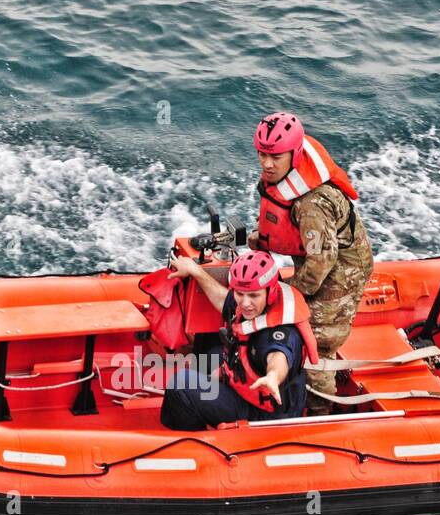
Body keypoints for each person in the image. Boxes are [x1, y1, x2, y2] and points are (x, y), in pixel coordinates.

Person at [249, 111, 373, 414]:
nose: (267, 163)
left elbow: (322, 261)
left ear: (294, 154)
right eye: (263, 154)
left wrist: (285, 295)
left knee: (313, 342)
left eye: (275, 156)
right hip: (319, 260)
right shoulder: (284, 179)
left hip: (341, 272)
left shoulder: (312, 206)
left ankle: (322, 413)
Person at [160, 250, 316, 430]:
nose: (245, 303)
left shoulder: (281, 334)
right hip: (246, 388)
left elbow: (278, 357)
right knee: (209, 356)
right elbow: (224, 300)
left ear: (270, 292)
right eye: (240, 294)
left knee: (180, 384)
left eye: (253, 296)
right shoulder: (250, 305)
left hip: (266, 414)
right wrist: (195, 270)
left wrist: (273, 377)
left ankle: (195, 442)